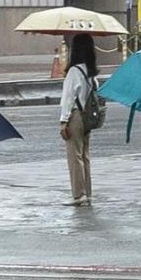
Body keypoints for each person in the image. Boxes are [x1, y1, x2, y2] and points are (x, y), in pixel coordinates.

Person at [58, 33, 98, 206]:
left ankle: (78, 195)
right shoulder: (91, 72)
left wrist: (63, 121)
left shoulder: (74, 71)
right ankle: (87, 193)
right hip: (87, 117)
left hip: (75, 117)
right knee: (85, 155)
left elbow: (68, 98)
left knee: (74, 157)